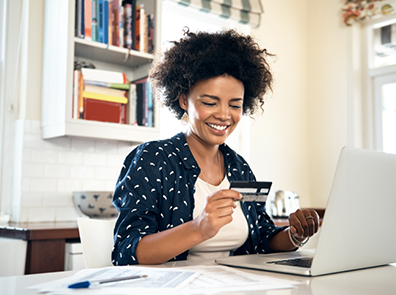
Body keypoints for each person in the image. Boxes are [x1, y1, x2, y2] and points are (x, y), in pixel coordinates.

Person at [111, 28, 319, 266]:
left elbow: (261, 238)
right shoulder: (152, 159)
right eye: (210, 102)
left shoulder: (240, 167)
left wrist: (294, 235)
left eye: (235, 105)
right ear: (183, 100)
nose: (223, 115)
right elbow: (126, 252)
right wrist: (198, 228)